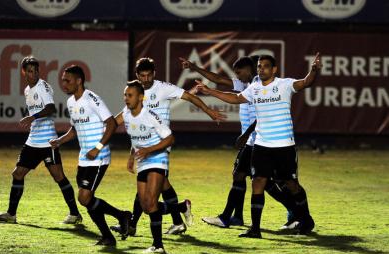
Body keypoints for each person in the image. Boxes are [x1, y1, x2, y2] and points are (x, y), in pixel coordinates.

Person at [195, 53, 322, 237]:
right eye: (259, 66)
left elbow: (305, 82)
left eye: (265, 66)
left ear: (274, 69)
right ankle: (255, 229)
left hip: (284, 145)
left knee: (291, 184)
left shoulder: (284, 85)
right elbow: (236, 98)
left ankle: (306, 219)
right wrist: (210, 91)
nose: (261, 69)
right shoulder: (254, 88)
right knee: (258, 183)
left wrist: (313, 71)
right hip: (262, 145)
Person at [111, 57, 226, 236]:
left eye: (149, 75)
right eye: (142, 76)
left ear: (154, 74)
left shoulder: (163, 88)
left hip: (161, 144)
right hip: (143, 144)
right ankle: (179, 215)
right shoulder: (135, 94)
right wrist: (131, 152)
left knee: (147, 188)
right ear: (137, 76)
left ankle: (133, 225)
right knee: (160, 185)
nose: (146, 79)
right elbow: (123, 121)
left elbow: (190, 97)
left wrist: (209, 111)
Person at [180, 56, 296, 229]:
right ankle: (238, 216)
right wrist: (194, 67)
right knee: (257, 180)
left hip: (258, 140)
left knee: (247, 177)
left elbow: (261, 116)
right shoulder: (246, 85)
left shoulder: (259, 86)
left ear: (249, 70)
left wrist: (245, 135)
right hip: (253, 140)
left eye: (239, 72)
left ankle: (229, 217)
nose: (238, 76)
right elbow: (218, 79)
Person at [0, 56, 81, 225]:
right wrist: (33, 119)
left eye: (36, 71)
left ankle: (75, 214)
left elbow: (51, 108)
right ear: (24, 72)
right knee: (17, 174)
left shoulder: (43, 87)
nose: (34, 74)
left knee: (58, 176)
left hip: (48, 142)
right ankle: (11, 214)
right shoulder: (27, 90)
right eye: (30, 71)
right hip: (33, 141)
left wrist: (33, 117)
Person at [49, 65, 131, 246]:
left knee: (84, 198)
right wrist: (60, 141)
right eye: (63, 80)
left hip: (99, 157)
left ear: (79, 81)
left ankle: (117, 221)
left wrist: (98, 147)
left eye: (67, 80)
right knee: (87, 200)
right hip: (84, 158)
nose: (64, 83)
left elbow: (111, 123)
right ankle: (114, 227)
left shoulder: (92, 98)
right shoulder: (71, 102)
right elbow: (74, 128)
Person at [117, 80, 192, 253]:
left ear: (141, 97)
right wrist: (132, 156)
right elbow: (128, 133)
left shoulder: (150, 115)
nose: (126, 99)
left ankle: (158, 245)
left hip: (158, 159)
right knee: (146, 206)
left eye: (130, 95)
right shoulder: (128, 114)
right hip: (143, 161)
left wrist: (149, 150)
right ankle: (181, 207)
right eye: (125, 95)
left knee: (151, 203)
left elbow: (169, 139)